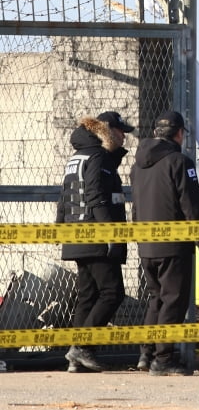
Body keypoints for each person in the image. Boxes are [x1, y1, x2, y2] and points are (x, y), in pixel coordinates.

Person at [130, 109, 199, 376]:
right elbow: (190, 203)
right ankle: (163, 359)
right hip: (173, 244)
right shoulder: (180, 161)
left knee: (156, 299)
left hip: (146, 243)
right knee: (173, 300)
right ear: (179, 133)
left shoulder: (137, 165)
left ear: (155, 133)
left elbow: (136, 206)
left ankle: (147, 353)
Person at [55, 110, 134, 373]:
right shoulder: (97, 155)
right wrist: (109, 233)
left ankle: (77, 356)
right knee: (113, 292)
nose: (124, 136)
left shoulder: (79, 155)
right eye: (121, 131)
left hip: (76, 234)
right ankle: (82, 348)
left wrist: (61, 230)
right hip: (94, 234)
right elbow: (95, 195)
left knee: (88, 296)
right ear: (108, 129)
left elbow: (64, 197)